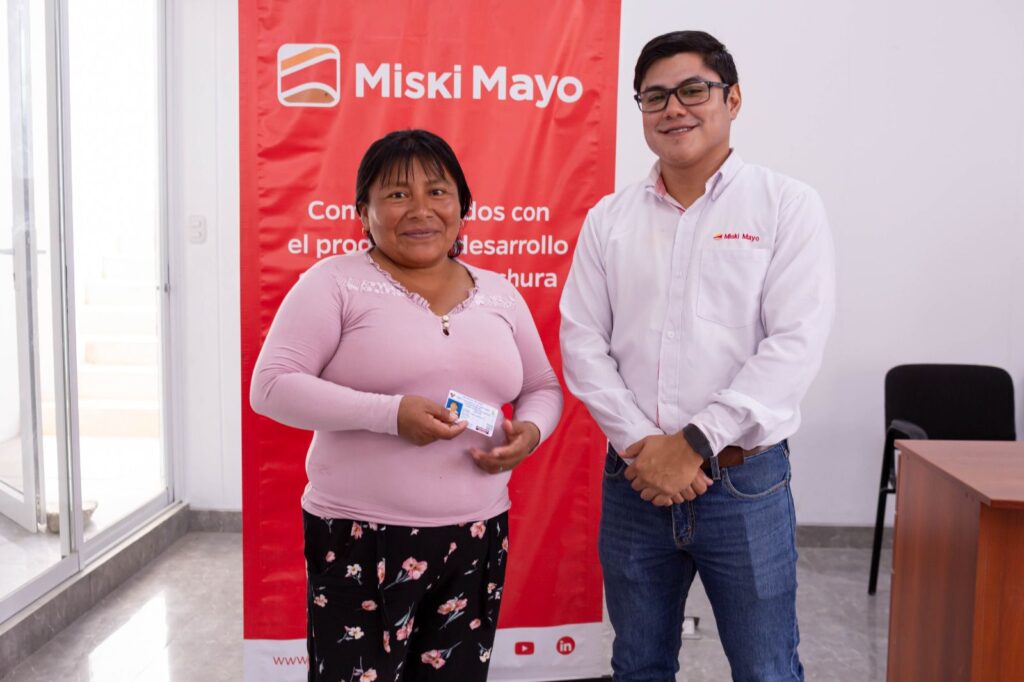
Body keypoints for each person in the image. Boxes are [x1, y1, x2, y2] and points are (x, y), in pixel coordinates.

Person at [559, 31, 834, 681]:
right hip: (634, 483)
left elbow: (793, 344)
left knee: (766, 668)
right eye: (654, 96)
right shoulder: (609, 219)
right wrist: (643, 447)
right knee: (638, 665)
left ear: (732, 99)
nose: (673, 108)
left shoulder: (786, 205)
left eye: (692, 90)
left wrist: (693, 443)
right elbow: (582, 341)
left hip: (744, 483)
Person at [250, 129, 563, 682]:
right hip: (359, 538)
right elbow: (272, 386)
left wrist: (531, 432)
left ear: (463, 207)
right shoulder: (334, 283)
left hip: (476, 535)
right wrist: (390, 415)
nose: (420, 210)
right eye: (397, 194)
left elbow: (542, 386)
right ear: (363, 212)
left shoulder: (499, 293)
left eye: (438, 192)